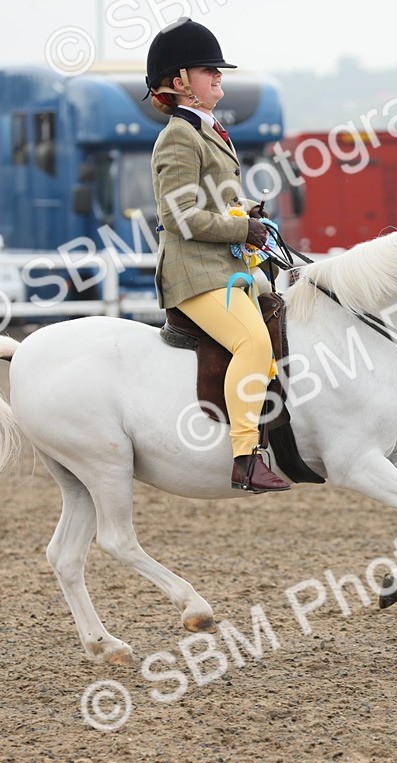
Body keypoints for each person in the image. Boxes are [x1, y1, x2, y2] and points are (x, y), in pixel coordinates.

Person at [145, 18, 289, 493]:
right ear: (180, 80)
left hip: (224, 267)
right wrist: (240, 226)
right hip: (193, 273)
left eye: (219, 71)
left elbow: (210, 204)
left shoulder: (210, 131)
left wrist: (246, 216)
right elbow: (180, 215)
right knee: (253, 343)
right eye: (209, 70)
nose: (218, 77)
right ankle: (246, 457)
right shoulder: (178, 137)